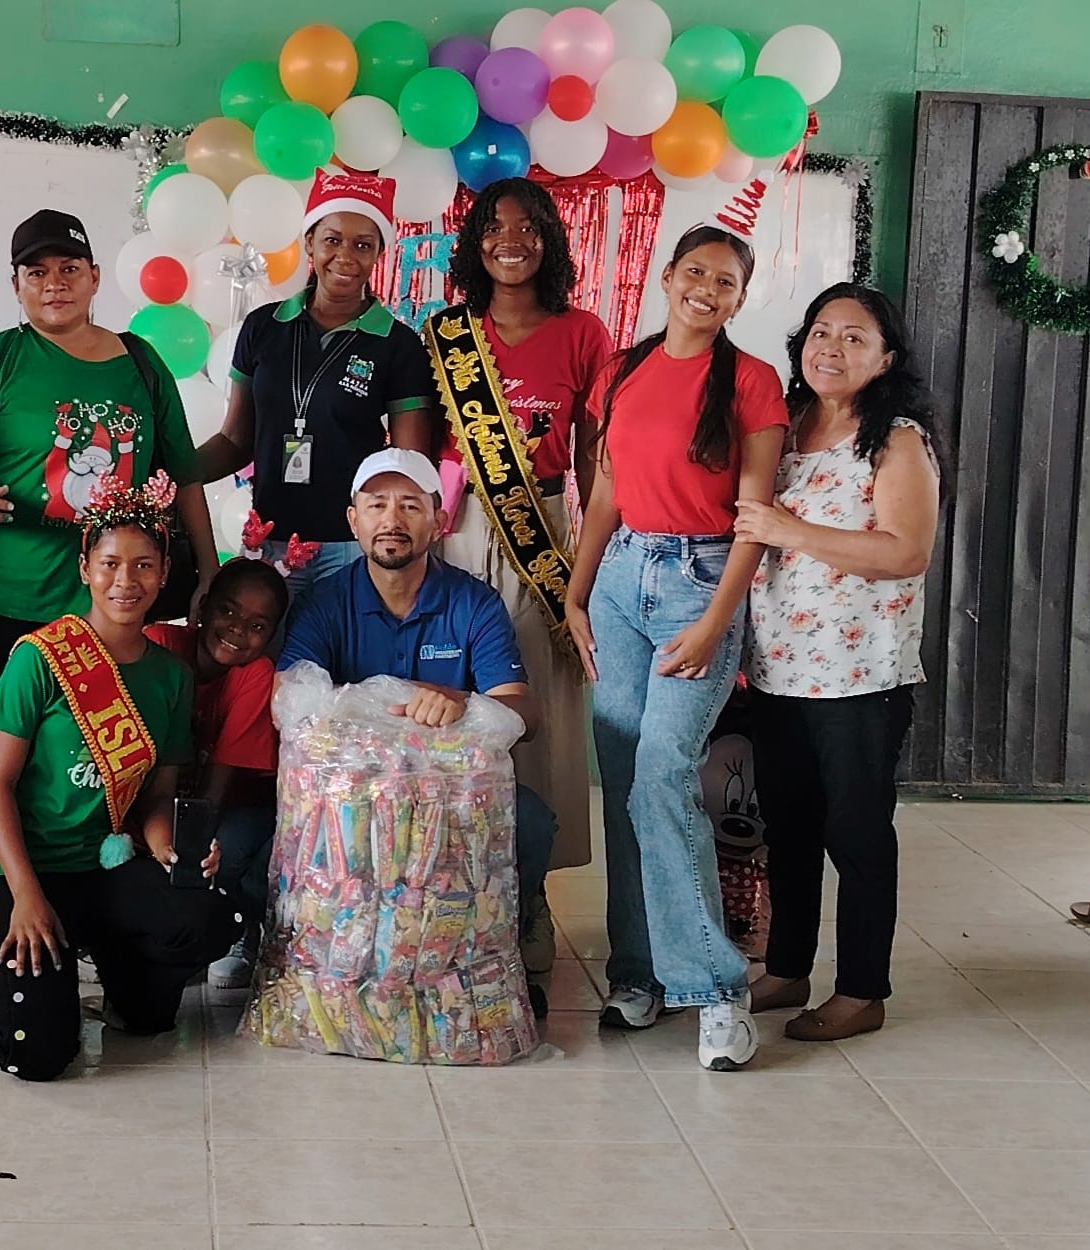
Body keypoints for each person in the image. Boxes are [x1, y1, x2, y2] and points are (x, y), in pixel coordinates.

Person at [565, 225, 787, 1071]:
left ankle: (716, 990)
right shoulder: (622, 370)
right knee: (624, 781)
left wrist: (716, 622)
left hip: (701, 583)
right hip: (620, 580)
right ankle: (638, 973)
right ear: (665, 277)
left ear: (739, 298)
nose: (706, 289)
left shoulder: (752, 381)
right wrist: (576, 593)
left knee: (663, 773)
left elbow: (754, 519)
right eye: (695, 272)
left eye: (725, 282)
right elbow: (605, 493)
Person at [0, 473, 241, 1081]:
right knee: (38, 1057)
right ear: (85, 568)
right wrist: (25, 896)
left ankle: (120, 972)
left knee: (206, 922)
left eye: (144, 565)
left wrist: (169, 850)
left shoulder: (170, 677)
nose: (127, 581)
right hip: (30, 870)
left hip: (106, 866)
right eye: (111, 563)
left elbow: (157, 796)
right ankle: (1, 976)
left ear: (165, 571)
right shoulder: (39, 658)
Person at [0, 208, 218, 778]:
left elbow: (185, 478)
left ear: (94, 277)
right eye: (36, 273)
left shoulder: (141, 363)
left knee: (90, 767)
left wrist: (210, 572)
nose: (54, 284)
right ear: (16, 285)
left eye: (68, 268)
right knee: (5, 765)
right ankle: (1, 844)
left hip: (110, 602)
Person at [279, 448, 558, 1015]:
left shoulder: (473, 602)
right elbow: (290, 702)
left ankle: (497, 939)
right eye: (376, 504)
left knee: (530, 822)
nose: (392, 519)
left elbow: (523, 713)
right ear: (353, 519)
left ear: (440, 520)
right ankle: (332, 962)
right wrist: (393, 704)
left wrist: (461, 702)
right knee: (267, 843)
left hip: (449, 799)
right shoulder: (323, 603)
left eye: (410, 505)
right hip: (352, 802)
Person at [735, 284, 944, 1040]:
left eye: (855, 338)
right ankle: (788, 968)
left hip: (860, 677)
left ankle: (861, 990)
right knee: (787, 830)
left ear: (885, 359)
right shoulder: (786, 425)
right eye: (822, 332)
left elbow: (905, 551)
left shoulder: (895, 440)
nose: (832, 348)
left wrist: (789, 530)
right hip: (778, 670)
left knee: (855, 835)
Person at [431, 176, 614, 986]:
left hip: (540, 529)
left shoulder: (582, 332)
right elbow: (419, 449)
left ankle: (529, 889)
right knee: (451, 699)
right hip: (452, 531)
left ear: (551, 239)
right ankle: (452, 884)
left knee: (534, 703)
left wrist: (591, 564)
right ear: (473, 243)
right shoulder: (446, 334)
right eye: (494, 226)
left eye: (529, 226)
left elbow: (594, 460)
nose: (511, 240)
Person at [195, 169, 435, 597]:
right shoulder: (263, 327)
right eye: (332, 240)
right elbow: (235, 440)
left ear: (379, 253)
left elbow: (407, 466)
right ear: (309, 242)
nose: (345, 257)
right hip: (268, 541)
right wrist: (174, 470)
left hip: (352, 548)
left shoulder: (397, 344)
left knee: (346, 644)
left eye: (363, 245)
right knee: (271, 644)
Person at [146, 557, 290, 988]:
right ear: (203, 606)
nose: (237, 630)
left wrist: (189, 856)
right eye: (227, 611)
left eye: (257, 626)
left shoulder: (255, 673)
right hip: (155, 802)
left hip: (234, 805)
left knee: (221, 849)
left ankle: (229, 925)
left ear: (271, 636)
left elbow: (215, 792)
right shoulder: (159, 644)